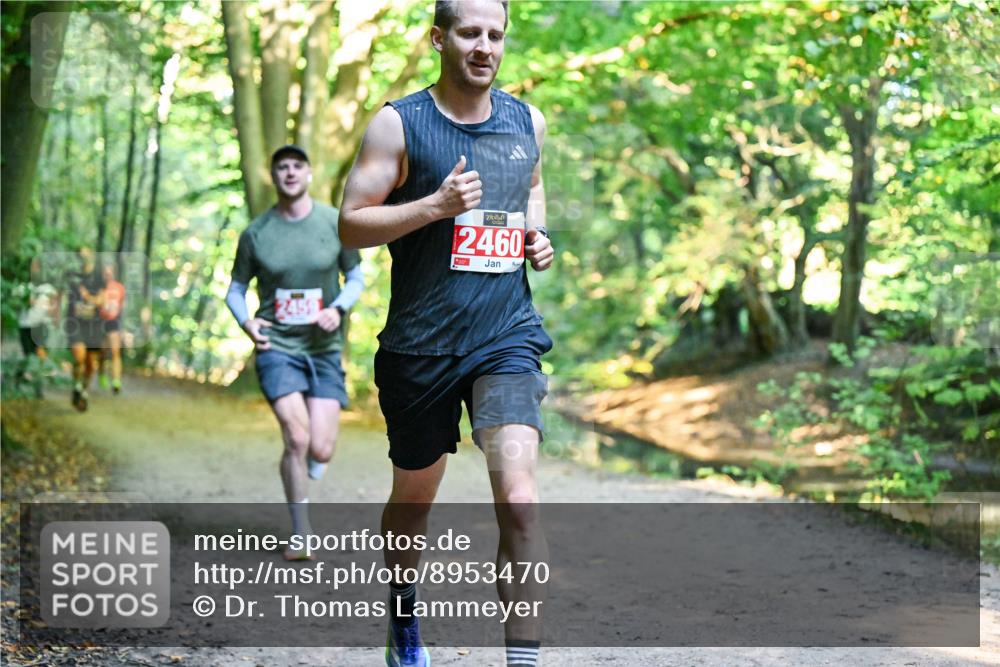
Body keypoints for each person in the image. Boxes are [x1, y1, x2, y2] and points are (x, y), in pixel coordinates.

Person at [339, 2, 554, 665]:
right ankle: (404, 615)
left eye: (495, 34)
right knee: (413, 500)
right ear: (439, 38)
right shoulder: (398, 123)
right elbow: (351, 222)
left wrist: (536, 234)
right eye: (470, 33)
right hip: (421, 347)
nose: (485, 46)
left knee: (519, 499)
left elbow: (532, 187)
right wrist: (434, 205)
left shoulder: (527, 121)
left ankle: (523, 659)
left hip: (506, 338)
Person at [227, 144, 365, 561]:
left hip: (323, 349)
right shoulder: (256, 233)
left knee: (320, 449)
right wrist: (246, 322)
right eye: (282, 167)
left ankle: (309, 464)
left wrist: (337, 309)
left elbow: (356, 276)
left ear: (308, 173)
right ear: (273, 176)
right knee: (297, 437)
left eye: (297, 166)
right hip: (278, 348)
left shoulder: (334, 222)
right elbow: (235, 290)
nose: (289, 172)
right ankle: (301, 531)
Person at [65, 247, 106, 412]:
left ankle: (84, 391)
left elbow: (101, 301)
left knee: (90, 363)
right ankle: (76, 385)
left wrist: (87, 296)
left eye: (86, 255)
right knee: (79, 355)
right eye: (80, 255)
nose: (83, 258)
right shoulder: (71, 276)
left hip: (94, 326)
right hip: (75, 324)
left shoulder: (99, 277)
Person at [15, 257, 59, 397]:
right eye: (32, 266)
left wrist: (55, 316)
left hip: (41, 325)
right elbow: (14, 306)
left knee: (40, 352)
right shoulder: (22, 287)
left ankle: (42, 383)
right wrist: (24, 302)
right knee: (29, 356)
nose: (34, 269)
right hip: (25, 325)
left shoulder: (48, 288)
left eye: (37, 266)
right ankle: (25, 379)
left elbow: (55, 304)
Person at [98, 262, 126, 394]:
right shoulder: (98, 287)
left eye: (110, 272)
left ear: (114, 273)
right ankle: (101, 373)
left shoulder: (119, 288)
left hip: (113, 322)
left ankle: (116, 381)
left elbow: (121, 306)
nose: (107, 275)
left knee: (115, 351)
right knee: (102, 353)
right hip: (99, 322)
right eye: (105, 273)